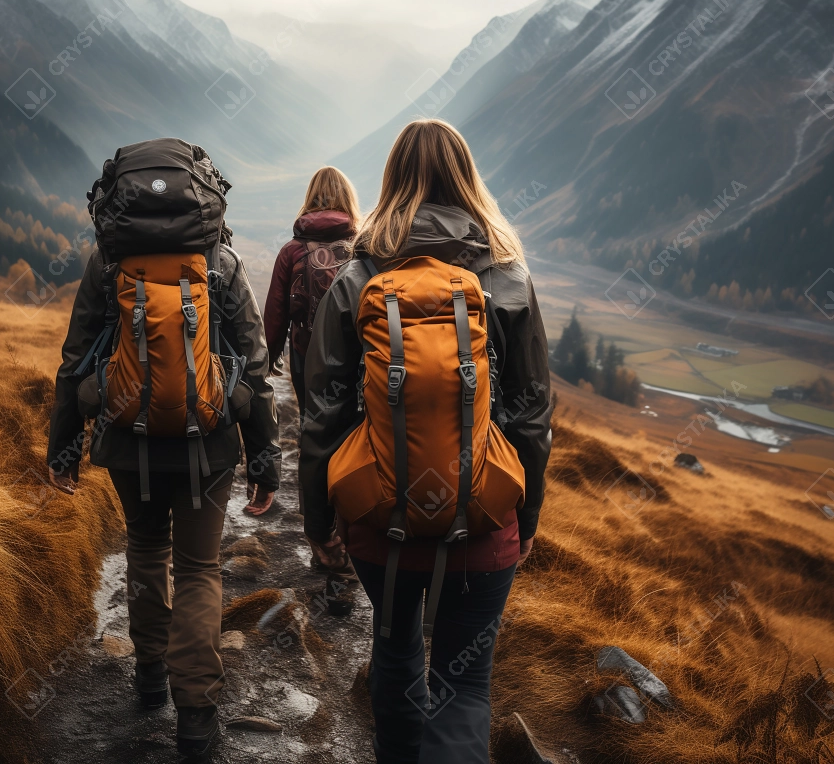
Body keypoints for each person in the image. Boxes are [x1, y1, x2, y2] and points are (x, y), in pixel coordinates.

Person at [299, 120, 551, 764]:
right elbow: (529, 416)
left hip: (382, 521)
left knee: (395, 651)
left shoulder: (357, 277)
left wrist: (320, 519)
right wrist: (524, 515)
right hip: (484, 517)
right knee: (464, 682)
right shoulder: (508, 277)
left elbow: (322, 411)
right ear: (469, 180)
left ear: (391, 180)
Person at [46, 138, 281, 761]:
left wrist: (64, 449)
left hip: (126, 440)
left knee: (146, 548)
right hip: (209, 445)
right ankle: (196, 718)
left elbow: (76, 361)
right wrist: (264, 460)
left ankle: (149, 680)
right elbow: (254, 368)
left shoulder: (107, 263)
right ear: (203, 196)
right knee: (201, 568)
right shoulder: (221, 262)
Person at [263, 166, 361, 404]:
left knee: (311, 419)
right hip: (358, 353)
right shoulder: (364, 244)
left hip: (306, 355)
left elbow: (276, 314)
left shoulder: (292, 250)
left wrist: (268, 360)